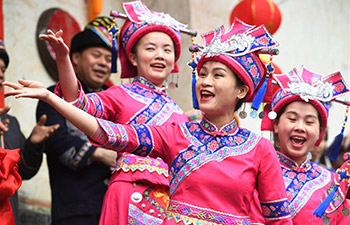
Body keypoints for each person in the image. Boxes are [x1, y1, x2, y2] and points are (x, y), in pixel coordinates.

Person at [4, 18, 293, 225]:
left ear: (242, 90)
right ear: (132, 55)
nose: (205, 81)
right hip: (128, 197)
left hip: (161, 201)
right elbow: (105, 129)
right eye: (202, 73)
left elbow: (276, 217)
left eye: (217, 75)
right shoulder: (176, 131)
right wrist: (53, 95)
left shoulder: (253, 146)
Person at [40, 1, 194, 224]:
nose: (160, 55)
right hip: (126, 195)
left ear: (174, 62)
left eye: (167, 49)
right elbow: (76, 102)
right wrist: (64, 59)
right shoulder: (119, 94)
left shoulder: (180, 115)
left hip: (167, 204)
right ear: (132, 57)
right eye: (151, 48)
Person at [19, 17, 118, 225]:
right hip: (75, 208)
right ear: (75, 58)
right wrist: (100, 154)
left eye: (109, 59)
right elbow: (56, 140)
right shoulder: (54, 95)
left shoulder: (115, 98)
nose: (103, 63)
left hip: (116, 206)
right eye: (96, 55)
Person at [257, 66, 350, 224]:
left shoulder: (333, 183)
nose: (300, 127)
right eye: (292, 119)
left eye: (309, 122)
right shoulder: (255, 170)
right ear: (276, 124)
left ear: (320, 132)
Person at [0, 38, 60, 225]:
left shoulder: (10, 123)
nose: (1, 75)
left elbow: (23, 171)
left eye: (2, 70)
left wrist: (33, 144)